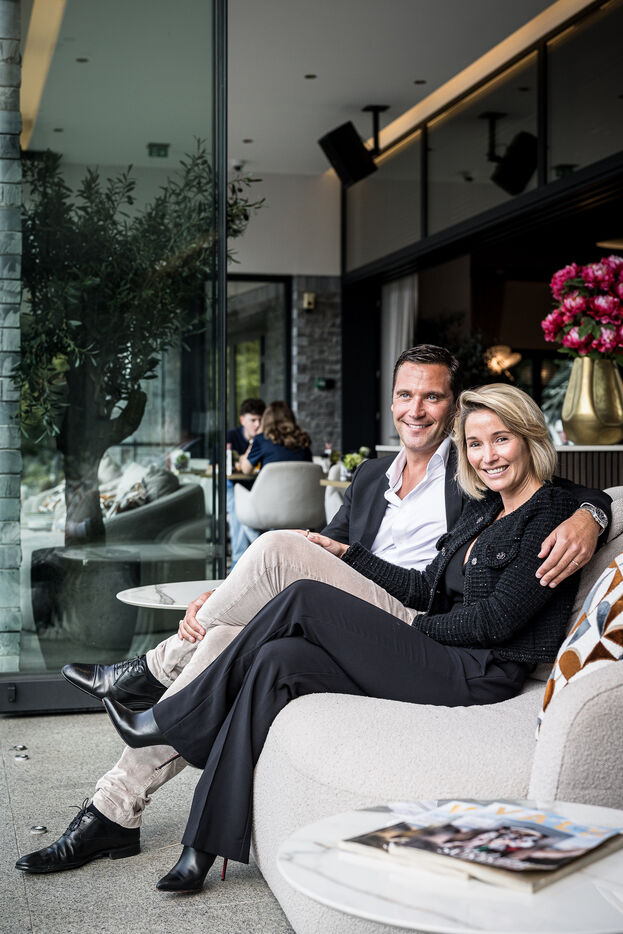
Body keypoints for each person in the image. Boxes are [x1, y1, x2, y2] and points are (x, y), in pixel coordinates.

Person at [21, 346, 609, 876]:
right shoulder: (386, 478)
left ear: (454, 410)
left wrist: (593, 515)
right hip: (385, 615)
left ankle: (154, 679)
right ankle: (130, 815)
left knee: (281, 555)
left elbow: (561, 501)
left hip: (434, 639)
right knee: (254, 646)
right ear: (392, 401)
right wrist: (229, 597)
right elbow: (371, 563)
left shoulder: (479, 483)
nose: (417, 409)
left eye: (433, 397)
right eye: (405, 395)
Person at [226, 397, 265, 567]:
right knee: (236, 503)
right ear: (242, 420)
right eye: (253, 420)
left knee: (240, 506)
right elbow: (214, 466)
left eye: (260, 420)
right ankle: (241, 559)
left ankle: (242, 560)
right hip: (235, 486)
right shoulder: (231, 437)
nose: (257, 425)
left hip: (260, 489)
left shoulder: (267, 439)